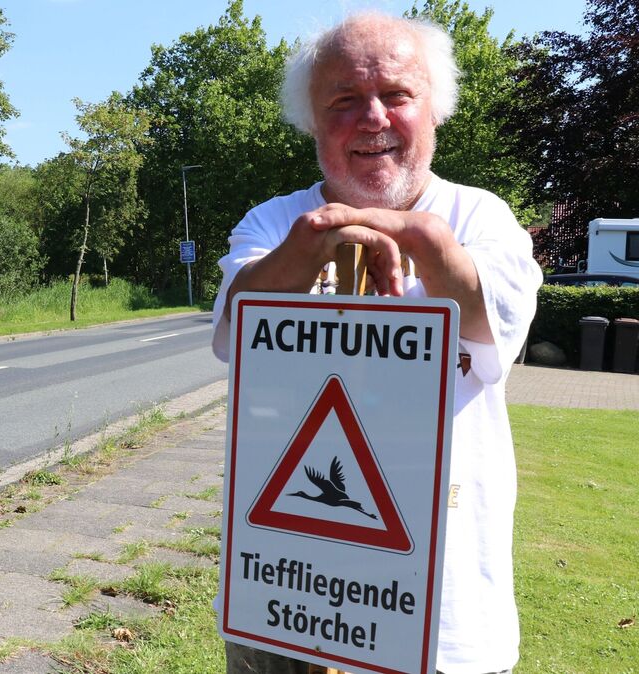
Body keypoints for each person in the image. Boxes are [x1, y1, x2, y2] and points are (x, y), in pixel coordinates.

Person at [211, 11, 541, 674]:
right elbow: (234, 327)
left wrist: (427, 243)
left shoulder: (482, 219)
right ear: (310, 118)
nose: (373, 117)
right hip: (289, 604)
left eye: (396, 95)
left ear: (434, 109)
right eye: (343, 100)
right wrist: (306, 245)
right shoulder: (274, 223)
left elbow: (489, 321)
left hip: (440, 620)